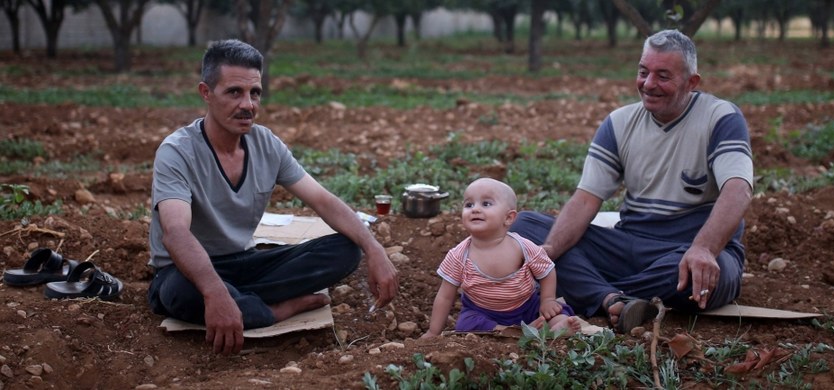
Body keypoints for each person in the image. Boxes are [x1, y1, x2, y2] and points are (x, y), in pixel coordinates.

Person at [147, 39, 399, 355]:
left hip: (243, 262)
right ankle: (277, 310)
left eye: (255, 93)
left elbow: (322, 200)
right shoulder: (177, 151)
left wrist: (374, 248)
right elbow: (175, 232)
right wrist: (214, 292)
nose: (248, 104)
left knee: (346, 250)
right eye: (234, 92)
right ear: (206, 93)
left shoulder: (266, 144)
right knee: (182, 294)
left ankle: (240, 301)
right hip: (185, 271)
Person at [510, 29, 753, 334]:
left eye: (663, 76)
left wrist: (704, 248)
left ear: (692, 82)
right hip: (629, 245)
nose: (648, 84)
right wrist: (547, 253)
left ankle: (589, 291)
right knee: (525, 229)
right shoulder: (619, 122)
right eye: (643, 72)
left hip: (690, 250)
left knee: (692, 277)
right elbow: (586, 199)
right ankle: (613, 299)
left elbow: (738, 189)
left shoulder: (720, 118)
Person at [422, 178, 581, 338]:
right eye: (469, 204)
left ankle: (557, 326)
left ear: (509, 218)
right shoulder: (458, 255)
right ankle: (510, 331)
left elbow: (546, 271)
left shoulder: (523, 247)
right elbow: (445, 296)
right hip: (482, 311)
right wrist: (433, 331)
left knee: (554, 310)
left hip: (526, 306)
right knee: (466, 323)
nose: (475, 209)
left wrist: (547, 300)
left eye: (486, 204)